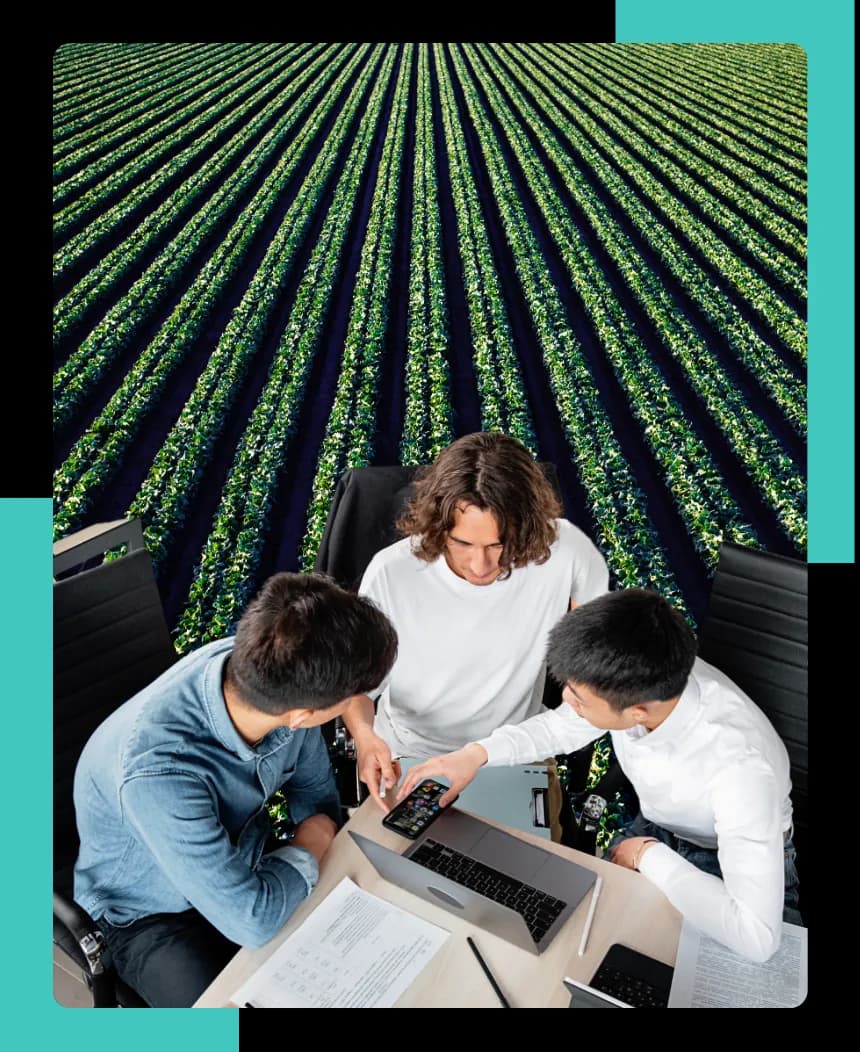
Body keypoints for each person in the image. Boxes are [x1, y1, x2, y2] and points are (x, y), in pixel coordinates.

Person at [398, 589, 798, 963]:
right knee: (568, 938)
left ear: (638, 710)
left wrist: (647, 855)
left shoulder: (740, 770)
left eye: (579, 699)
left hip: (724, 857)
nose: (567, 703)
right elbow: (561, 728)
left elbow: (757, 938)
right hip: (659, 827)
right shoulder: (643, 670)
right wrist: (475, 754)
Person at [73, 572, 397, 1007]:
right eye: (350, 700)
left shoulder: (273, 676)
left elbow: (317, 801)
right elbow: (253, 920)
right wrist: (312, 842)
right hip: (148, 915)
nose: (357, 705)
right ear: (304, 715)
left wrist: (316, 838)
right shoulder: (159, 776)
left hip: (248, 863)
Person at [341, 431, 609, 810]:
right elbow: (356, 686)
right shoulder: (390, 572)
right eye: (463, 544)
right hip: (408, 756)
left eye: (499, 545)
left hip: (513, 752)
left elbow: (597, 680)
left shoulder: (568, 551)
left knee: (524, 866)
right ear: (436, 525)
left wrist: (489, 752)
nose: (481, 565)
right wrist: (366, 738)